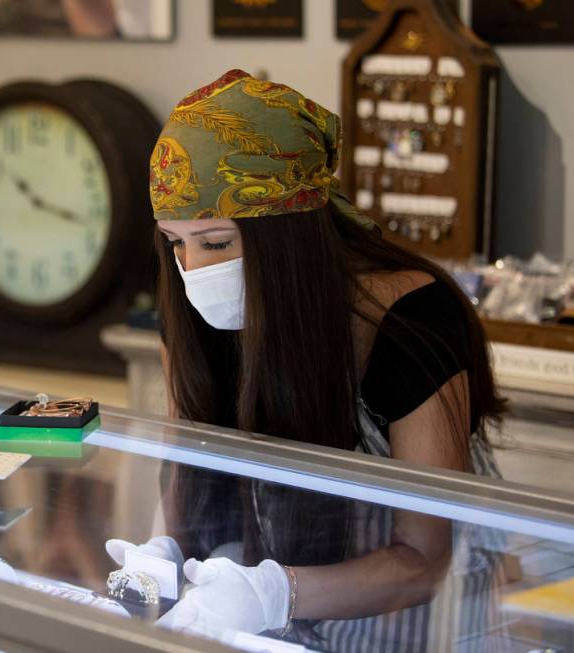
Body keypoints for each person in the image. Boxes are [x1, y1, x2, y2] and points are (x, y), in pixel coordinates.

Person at [107, 69, 508, 652]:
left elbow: (423, 560)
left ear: (287, 233)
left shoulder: (410, 321)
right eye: (175, 242)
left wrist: (274, 593)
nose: (193, 270)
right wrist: (159, 551)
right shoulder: (189, 305)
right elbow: (187, 458)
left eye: (217, 243)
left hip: (421, 623)